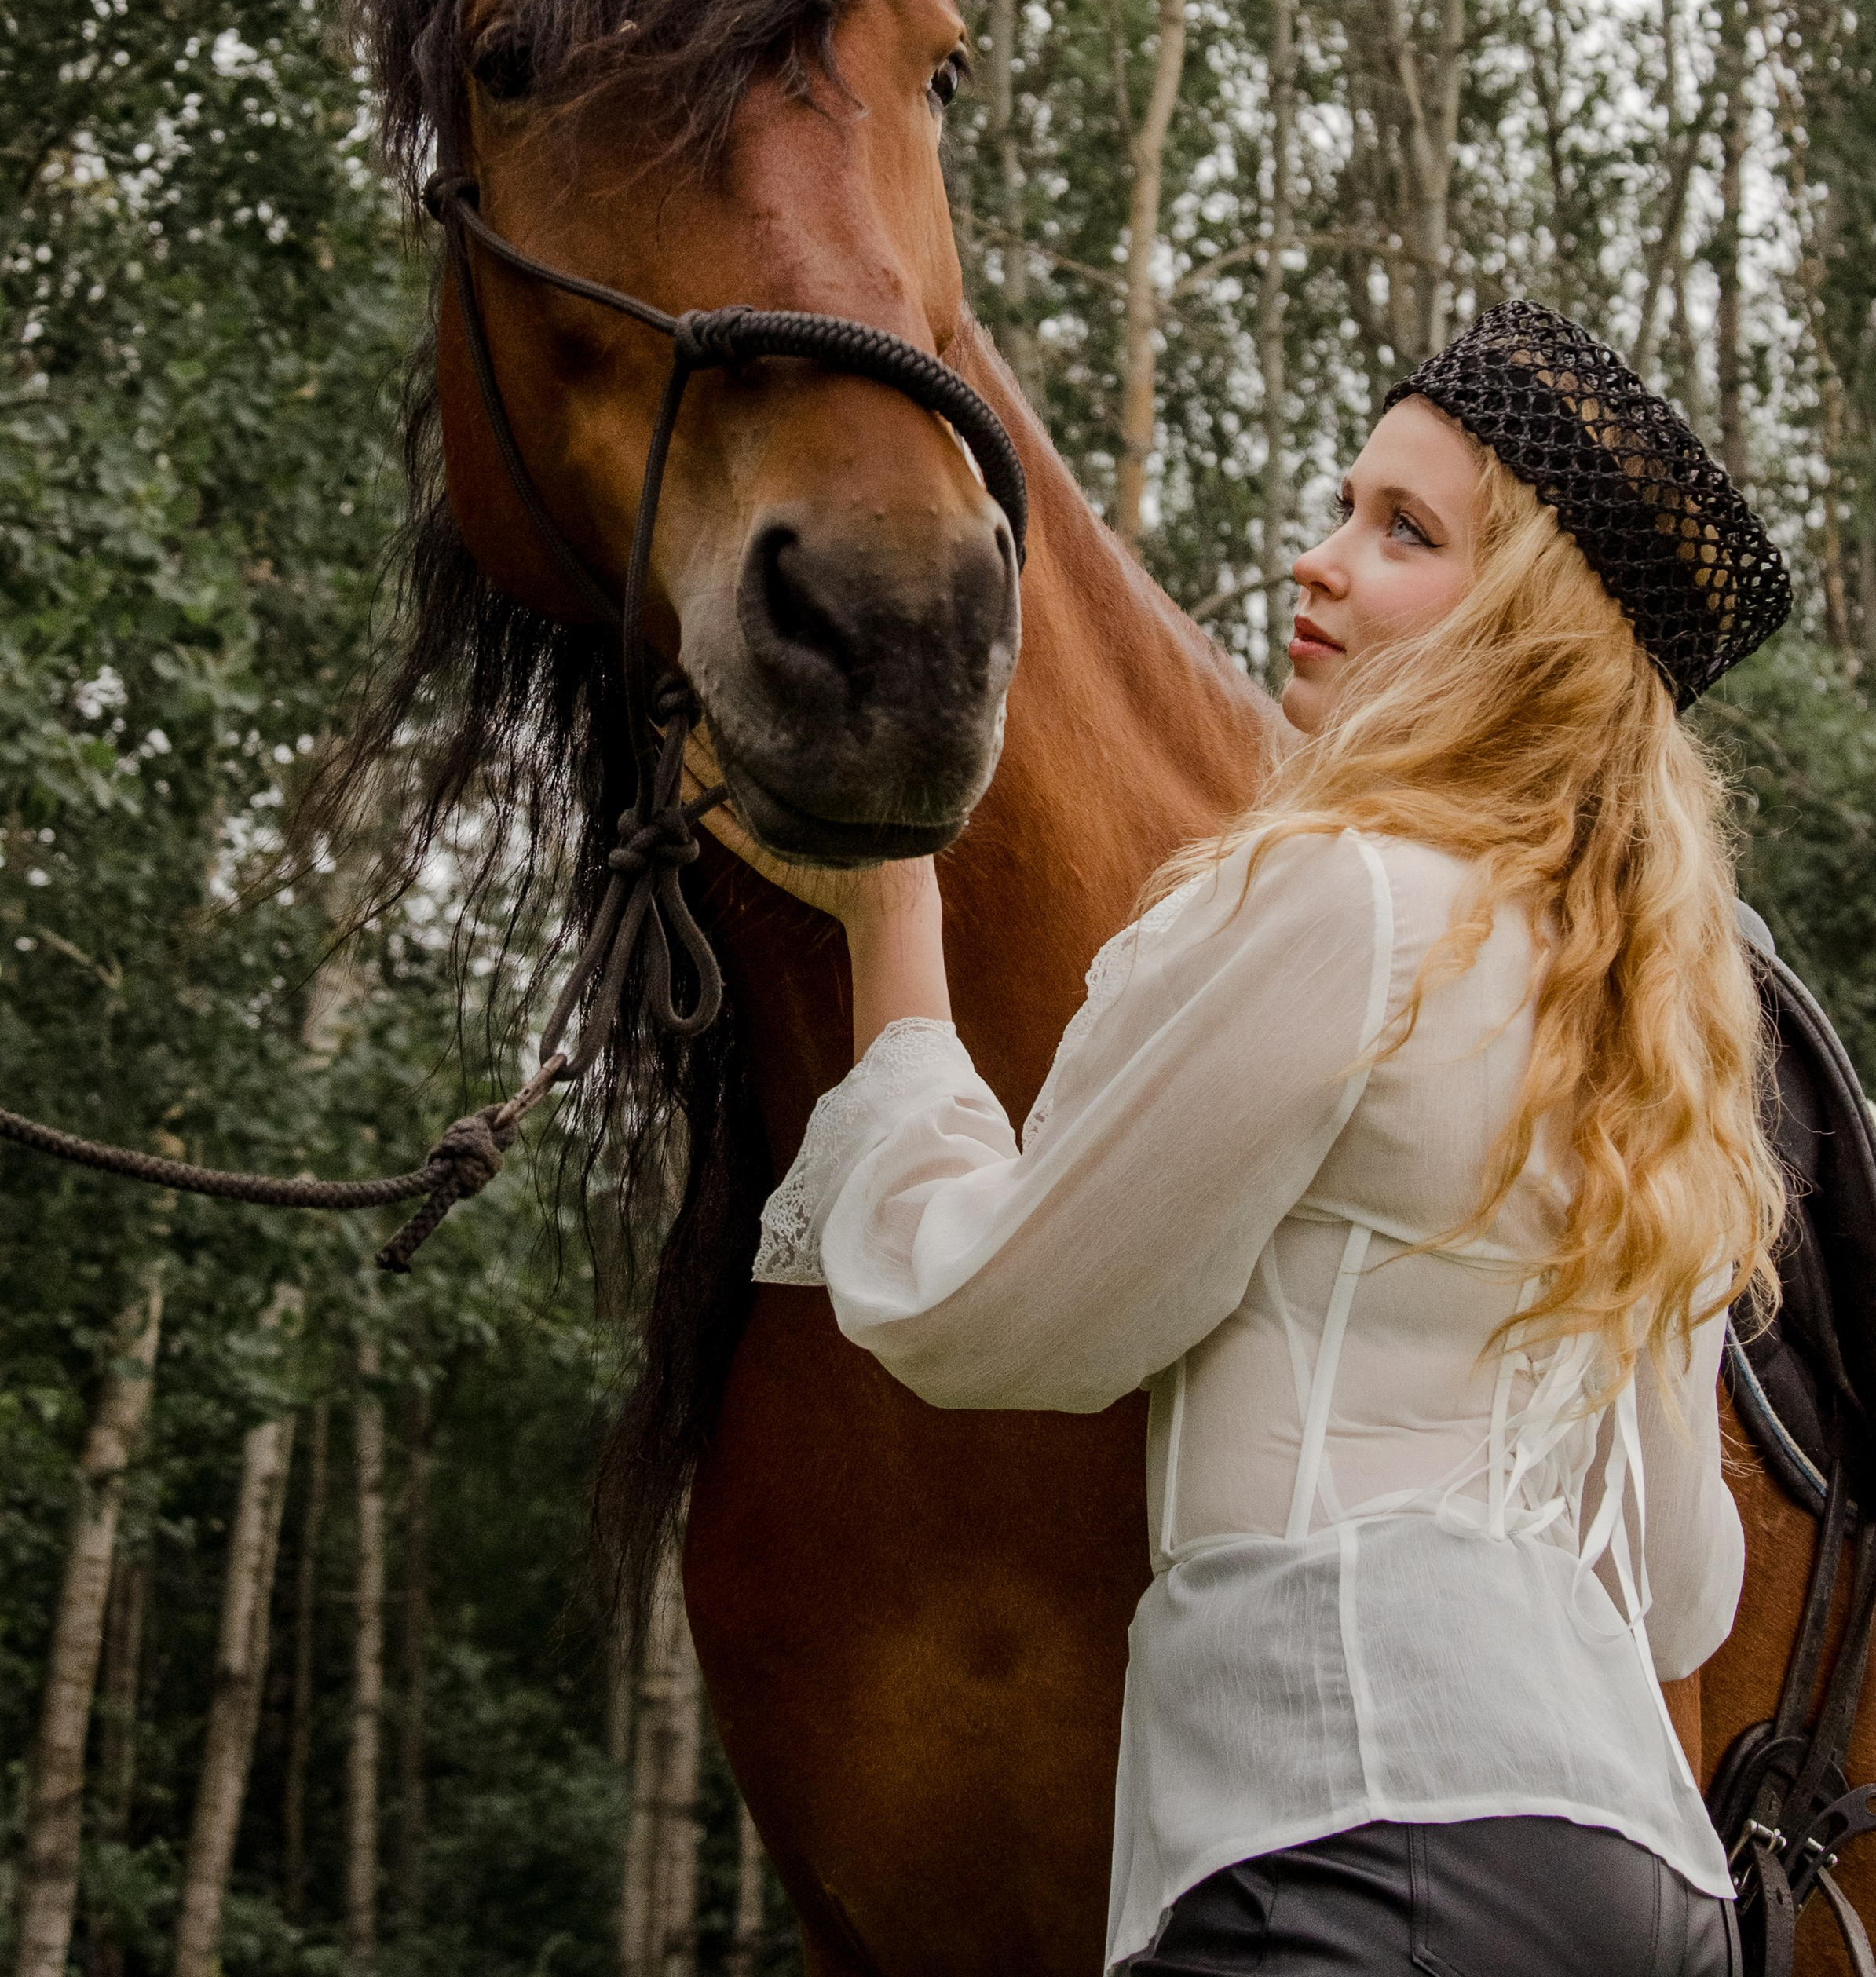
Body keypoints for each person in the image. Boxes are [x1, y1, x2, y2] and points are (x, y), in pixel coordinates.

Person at [710, 300, 1793, 1975]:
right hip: (1644, 1892)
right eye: (1343, 505)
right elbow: (1673, 1587)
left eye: (1401, 531)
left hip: (1354, 1849)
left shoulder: (1350, 902)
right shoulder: (1645, 1041)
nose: (1316, 561)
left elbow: (981, 1309)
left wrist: (890, 915)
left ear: (1526, 629)